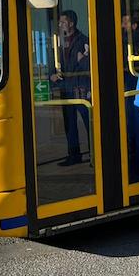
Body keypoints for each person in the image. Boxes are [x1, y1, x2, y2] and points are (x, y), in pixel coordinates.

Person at [51, 9, 91, 166]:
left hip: (80, 87)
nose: (60, 25)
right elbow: (54, 63)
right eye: (59, 22)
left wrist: (82, 59)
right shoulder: (59, 42)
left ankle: (95, 154)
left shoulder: (83, 40)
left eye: (63, 22)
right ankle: (74, 155)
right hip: (66, 87)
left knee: (89, 122)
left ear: (72, 23)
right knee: (70, 124)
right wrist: (52, 75)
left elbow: (90, 65)